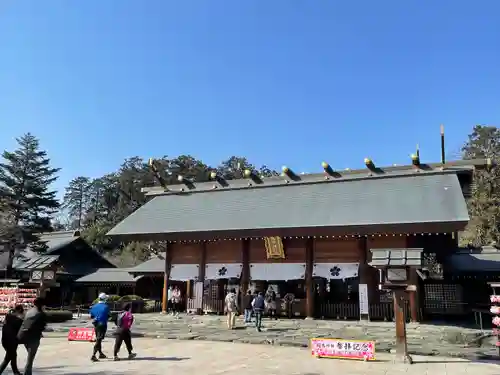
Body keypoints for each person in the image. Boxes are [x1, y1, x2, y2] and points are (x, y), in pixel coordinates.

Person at [17, 297, 47, 375]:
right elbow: (42, 326)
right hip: (33, 338)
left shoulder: (29, 311)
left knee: (30, 357)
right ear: (42, 305)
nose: (45, 306)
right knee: (30, 358)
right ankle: (27, 373)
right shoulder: (41, 314)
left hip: (23, 336)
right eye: (44, 305)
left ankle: (27, 372)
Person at [0, 305, 24, 375]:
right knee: (8, 358)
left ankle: (16, 372)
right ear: (19, 311)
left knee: (12, 356)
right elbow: (22, 330)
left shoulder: (7, 318)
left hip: (4, 340)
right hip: (12, 341)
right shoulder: (18, 320)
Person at [89, 292, 110, 362]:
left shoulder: (94, 306)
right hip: (102, 324)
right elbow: (108, 316)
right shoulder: (106, 307)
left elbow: (91, 316)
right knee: (98, 339)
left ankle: (100, 353)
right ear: (105, 299)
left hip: (96, 324)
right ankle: (93, 355)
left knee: (99, 339)